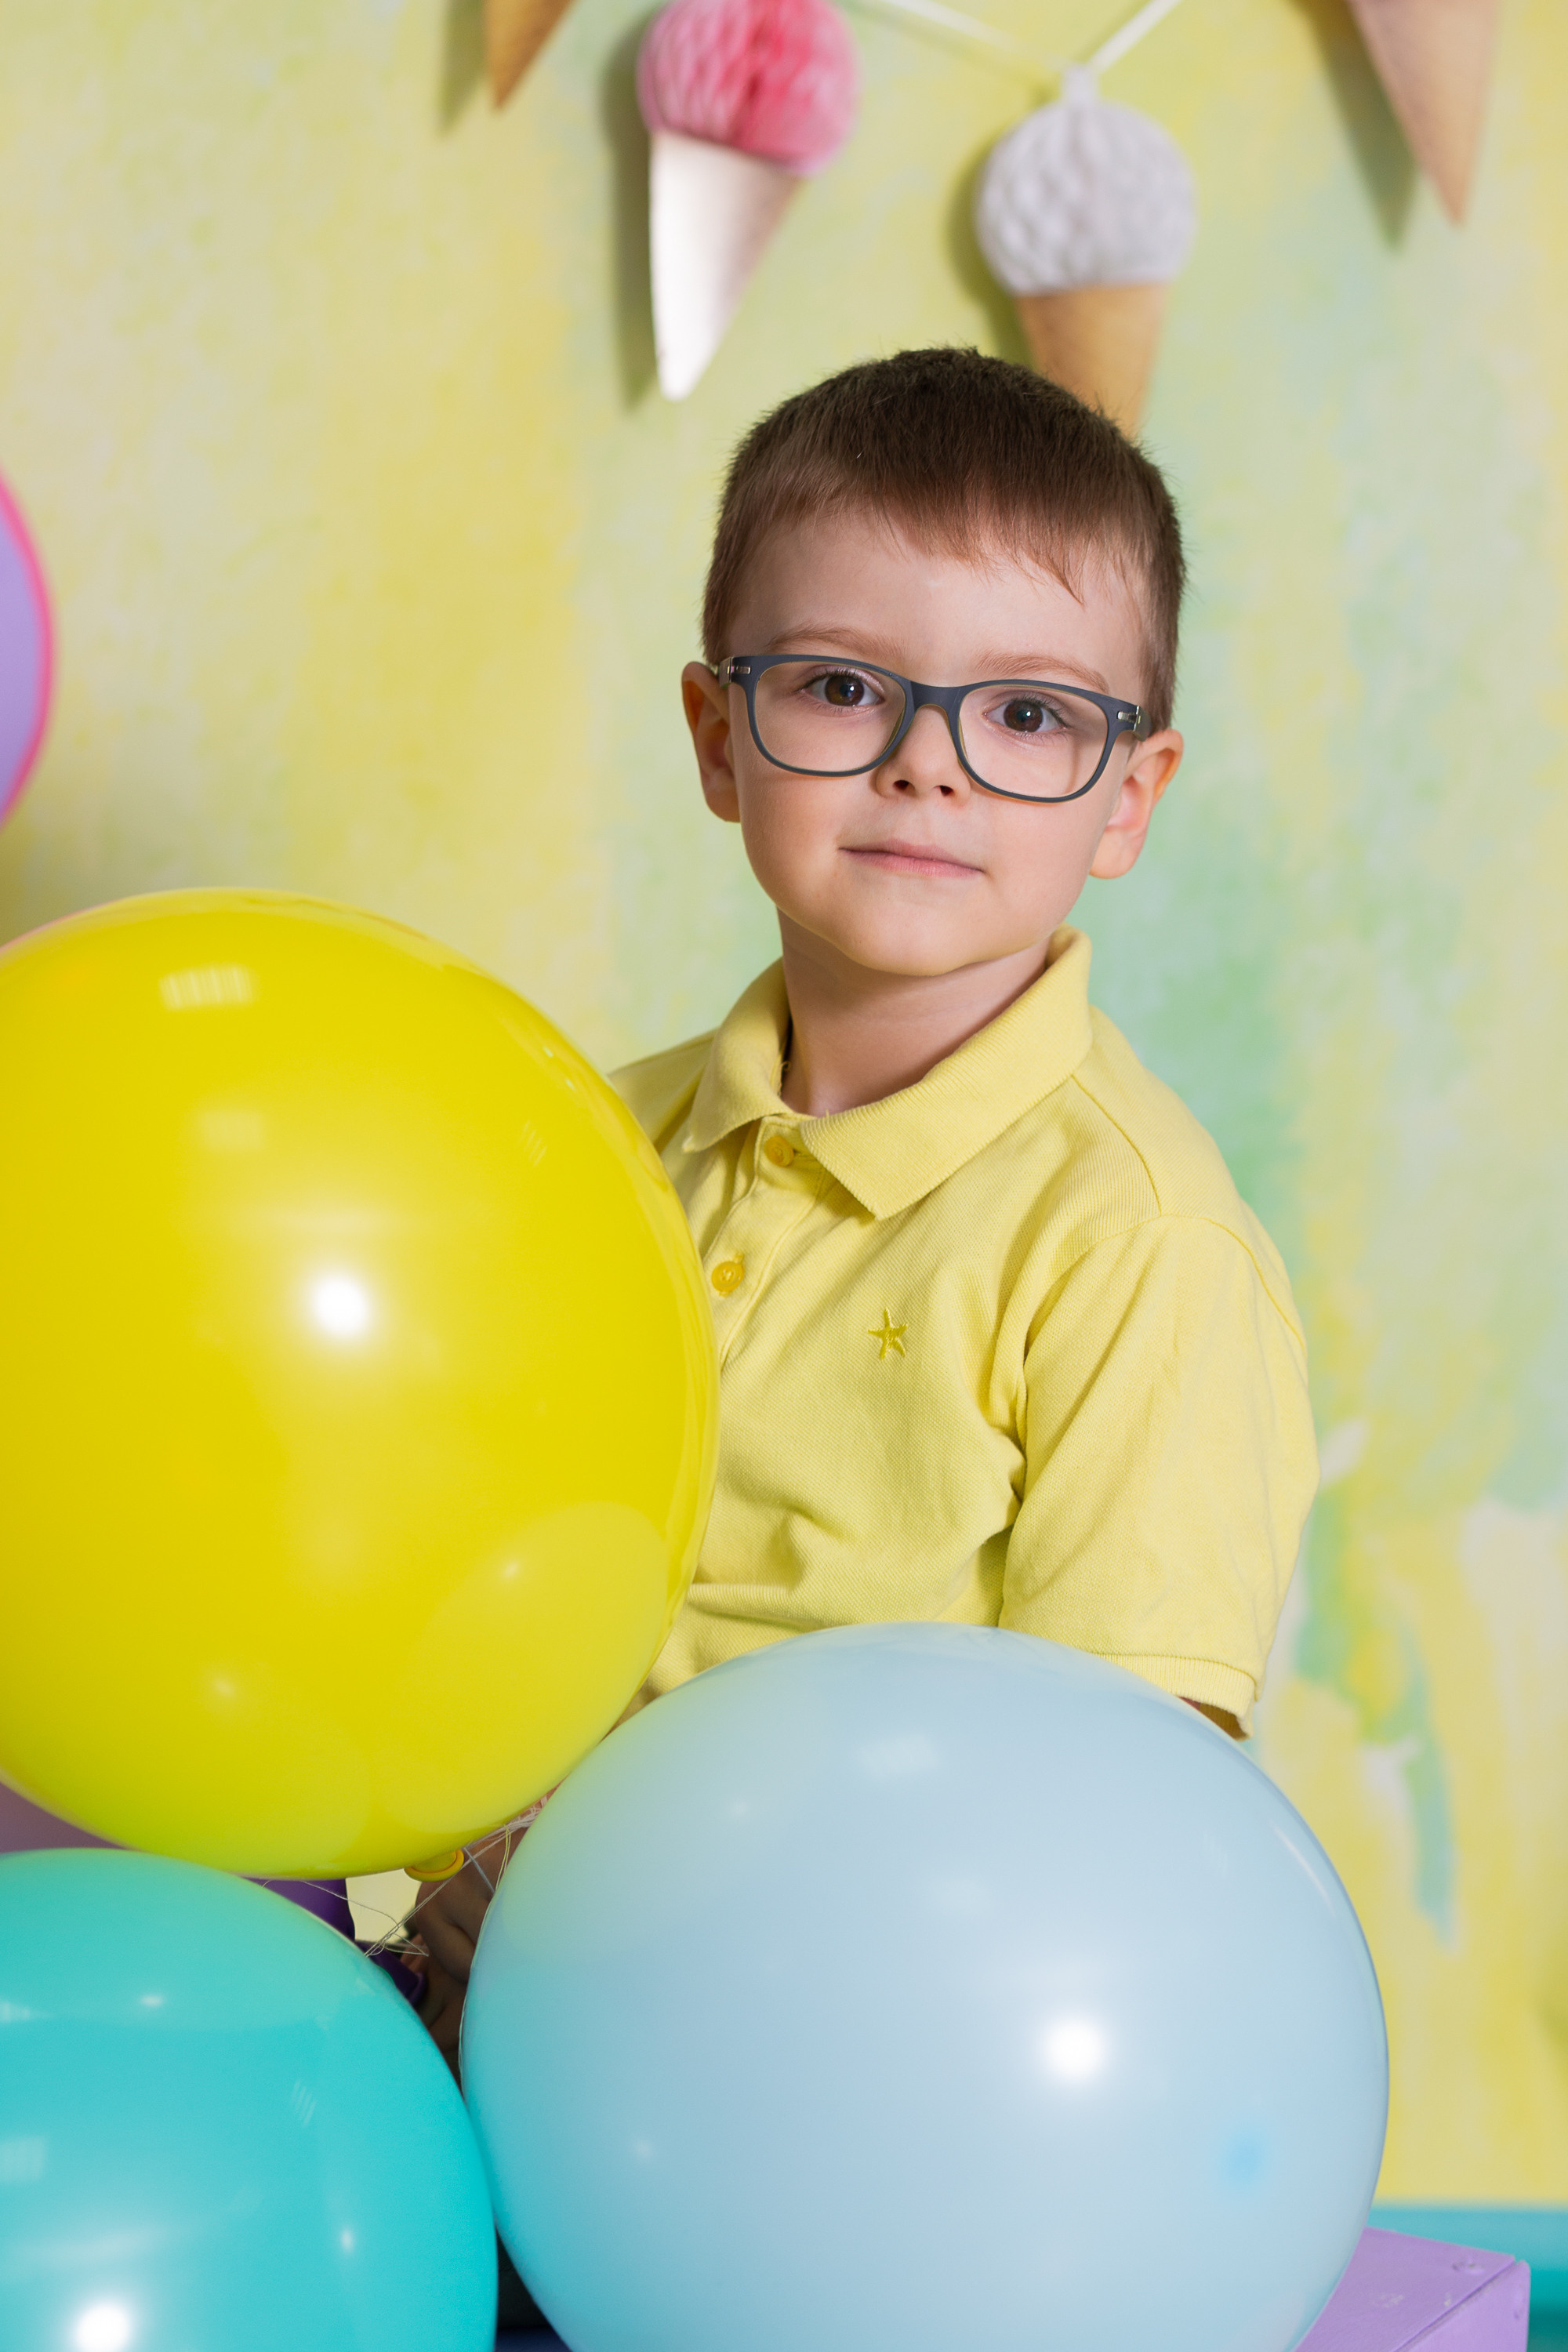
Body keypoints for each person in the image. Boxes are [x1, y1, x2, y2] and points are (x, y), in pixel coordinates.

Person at [413, 345, 1318, 2077]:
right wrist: (477, 1857)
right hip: (512, 2004)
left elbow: (1112, 1812)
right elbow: (446, 1560)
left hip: (872, 2062)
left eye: (1031, 715)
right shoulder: (588, 1147)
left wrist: (642, 1901)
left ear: (1129, 798)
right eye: (839, 688)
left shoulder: (1133, 1247)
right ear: (714, 738)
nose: (926, 767)